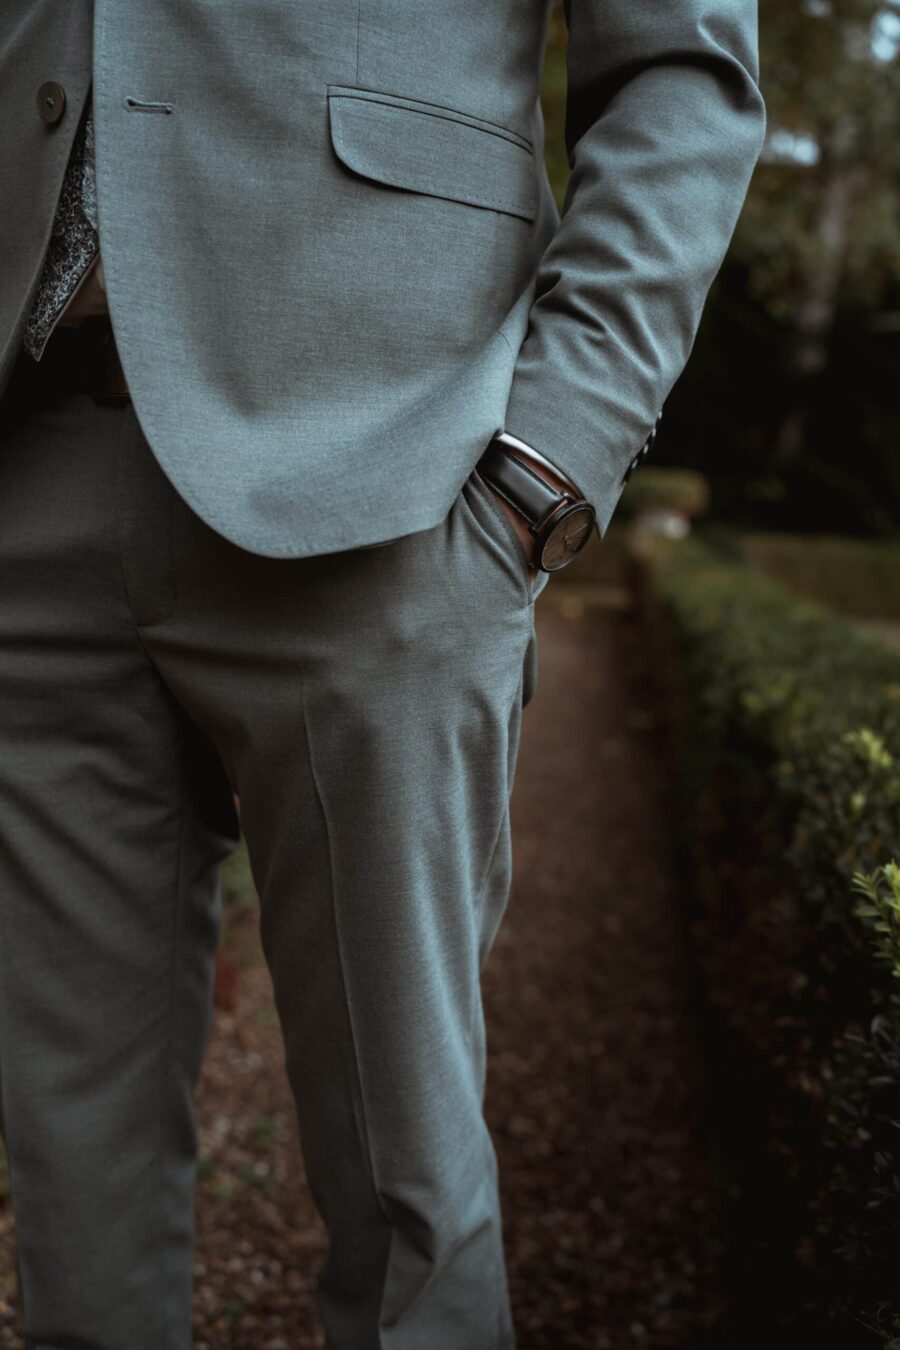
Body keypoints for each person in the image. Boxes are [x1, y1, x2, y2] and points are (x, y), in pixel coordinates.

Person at [0, 2, 765, 1347]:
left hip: (391, 466)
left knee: (403, 1177)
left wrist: (549, 459)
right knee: (74, 1168)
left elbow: (685, 70)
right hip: (32, 449)